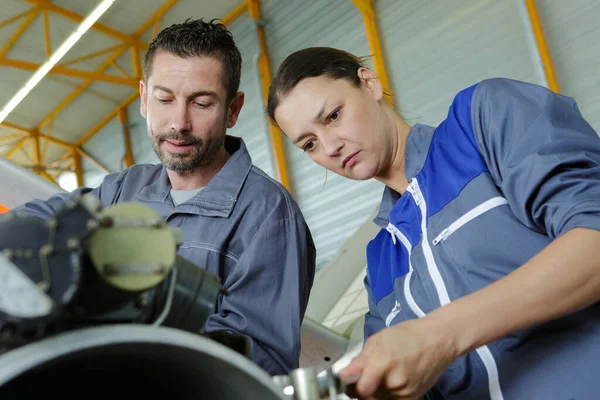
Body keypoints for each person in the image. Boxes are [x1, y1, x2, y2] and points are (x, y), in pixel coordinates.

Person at [267, 46, 600, 399]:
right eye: (309, 144)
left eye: (333, 116)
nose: (330, 147)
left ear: (369, 84)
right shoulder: (382, 265)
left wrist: (439, 334)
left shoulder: (483, 120)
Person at [8, 19, 316, 376]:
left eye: (201, 103)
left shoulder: (268, 216)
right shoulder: (122, 189)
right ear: (143, 99)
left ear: (232, 110)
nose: (178, 123)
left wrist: (139, 321)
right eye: (164, 99)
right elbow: (31, 225)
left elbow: (263, 363)